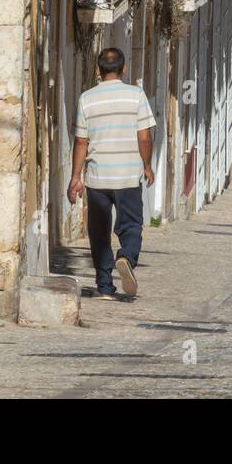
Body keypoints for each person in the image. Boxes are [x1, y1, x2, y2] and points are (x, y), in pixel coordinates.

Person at [68, 48, 156, 298]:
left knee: (98, 231)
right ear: (124, 68)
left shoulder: (87, 98)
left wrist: (76, 177)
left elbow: (81, 141)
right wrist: (146, 165)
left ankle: (105, 286)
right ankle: (126, 257)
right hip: (128, 175)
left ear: (98, 70)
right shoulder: (136, 95)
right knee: (131, 225)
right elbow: (144, 136)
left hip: (97, 178)